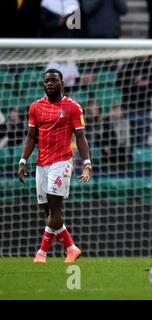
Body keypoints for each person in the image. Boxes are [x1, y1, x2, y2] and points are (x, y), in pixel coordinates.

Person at [18, 69, 92, 264]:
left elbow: (81, 137)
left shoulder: (72, 107)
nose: (49, 83)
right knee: (48, 211)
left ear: (62, 83)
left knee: (55, 209)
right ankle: (71, 248)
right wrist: (23, 160)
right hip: (41, 163)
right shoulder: (35, 107)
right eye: (46, 81)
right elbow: (31, 137)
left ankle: (41, 252)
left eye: (53, 80)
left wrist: (87, 163)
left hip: (61, 161)